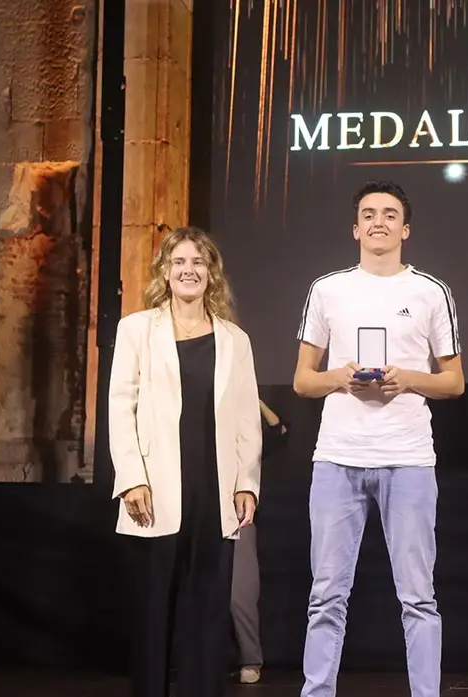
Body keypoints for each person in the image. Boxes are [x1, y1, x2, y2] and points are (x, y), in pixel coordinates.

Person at [293, 180, 465, 697]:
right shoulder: (327, 290)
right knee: (326, 595)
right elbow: (303, 379)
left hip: (408, 459)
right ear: (355, 228)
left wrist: (408, 378)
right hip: (337, 458)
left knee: (419, 597)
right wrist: (341, 376)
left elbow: (453, 382)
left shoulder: (431, 292)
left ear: (406, 229)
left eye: (390, 215)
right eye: (369, 214)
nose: (379, 222)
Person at [108, 226, 263, 697]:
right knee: (153, 612)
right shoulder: (136, 329)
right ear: (165, 272)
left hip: (213, 490)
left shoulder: (235, 340)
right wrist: (132, 479)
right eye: (179, 262)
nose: (189, 270)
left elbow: (245, 417)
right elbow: (120, 407)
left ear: (211, 273)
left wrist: (247, 483)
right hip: (154, 490)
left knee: (207, 612)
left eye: (198, 262)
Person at [229, 399, 289, 686]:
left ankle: (250, 660)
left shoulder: (244, 436)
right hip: (199, 510)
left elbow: (278, 430)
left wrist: (253, 398)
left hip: (238, 515)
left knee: (241, 593)